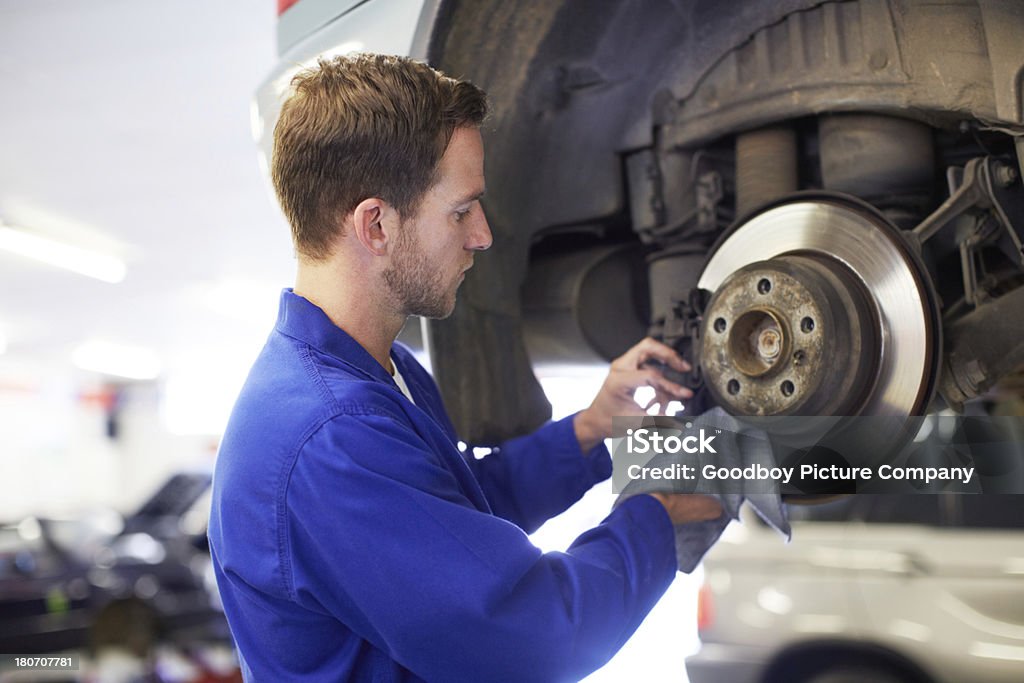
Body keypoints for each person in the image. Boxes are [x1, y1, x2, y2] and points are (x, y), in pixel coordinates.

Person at [208, 53, 723, 682]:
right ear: (375, 224)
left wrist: (591, 431)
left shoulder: (376, 371)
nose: (482, 235)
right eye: (461, 211)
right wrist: (659, 514)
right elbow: (533, 637)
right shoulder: (332, 438)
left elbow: (453, 522)